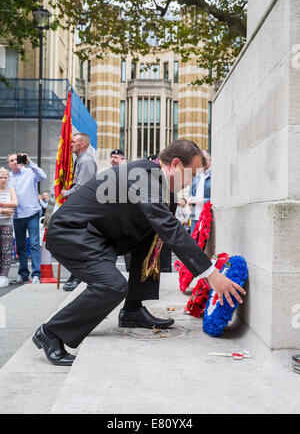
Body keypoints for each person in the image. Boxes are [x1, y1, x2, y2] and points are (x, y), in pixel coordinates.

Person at [32, 139, 245, 366]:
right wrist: (210, 274)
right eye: (192, 176)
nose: (190, 183)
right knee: (112, 286)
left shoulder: (163, 188)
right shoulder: (144, 176)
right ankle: (51, 333)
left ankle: (132, 310)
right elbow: (170, 228)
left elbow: (164, 229)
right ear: (175, 164)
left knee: (155, 234)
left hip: (100, 237)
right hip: (72, 233)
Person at [61, 133, 98, 291]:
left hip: (83, 208)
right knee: (76, 242)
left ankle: (78, 275)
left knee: (78, 242)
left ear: (82, 144)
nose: (70, 144)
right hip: (79, 207)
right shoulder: (80, 160)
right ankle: (78, 275)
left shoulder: (87, 161)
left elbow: (84, 187)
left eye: (74, 142)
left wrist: (65, 193)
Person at [8, 153, 46, 284]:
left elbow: (43, 176)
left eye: (17, 159)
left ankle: (36, 275)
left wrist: (30, 162)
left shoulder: (30, 172)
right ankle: (23, 274)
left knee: (35, 244)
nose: (15, 162)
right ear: (9, 164)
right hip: (17, 215)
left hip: (32, 213)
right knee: (20, 246)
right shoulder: (8, 178)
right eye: (12, 160)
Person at [0, 168, 18, 287]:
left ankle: (4, 276)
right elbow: (10, 206)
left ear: (8, 178)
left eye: (5, 177)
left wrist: (1, 205)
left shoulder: (10, 189)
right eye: (0, 178)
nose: (3, 180)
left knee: (6, 250)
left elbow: (15, 203)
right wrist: (4, 210)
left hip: (7, 224)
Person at [188, 150, 211, 235]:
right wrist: (190, 199)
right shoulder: (196, 176)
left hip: (207, 217)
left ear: (210, 159)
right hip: (195, 217)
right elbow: (191, 193)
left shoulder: (214, 175)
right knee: (194, 244)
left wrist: (203, 201)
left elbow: (217, 199)